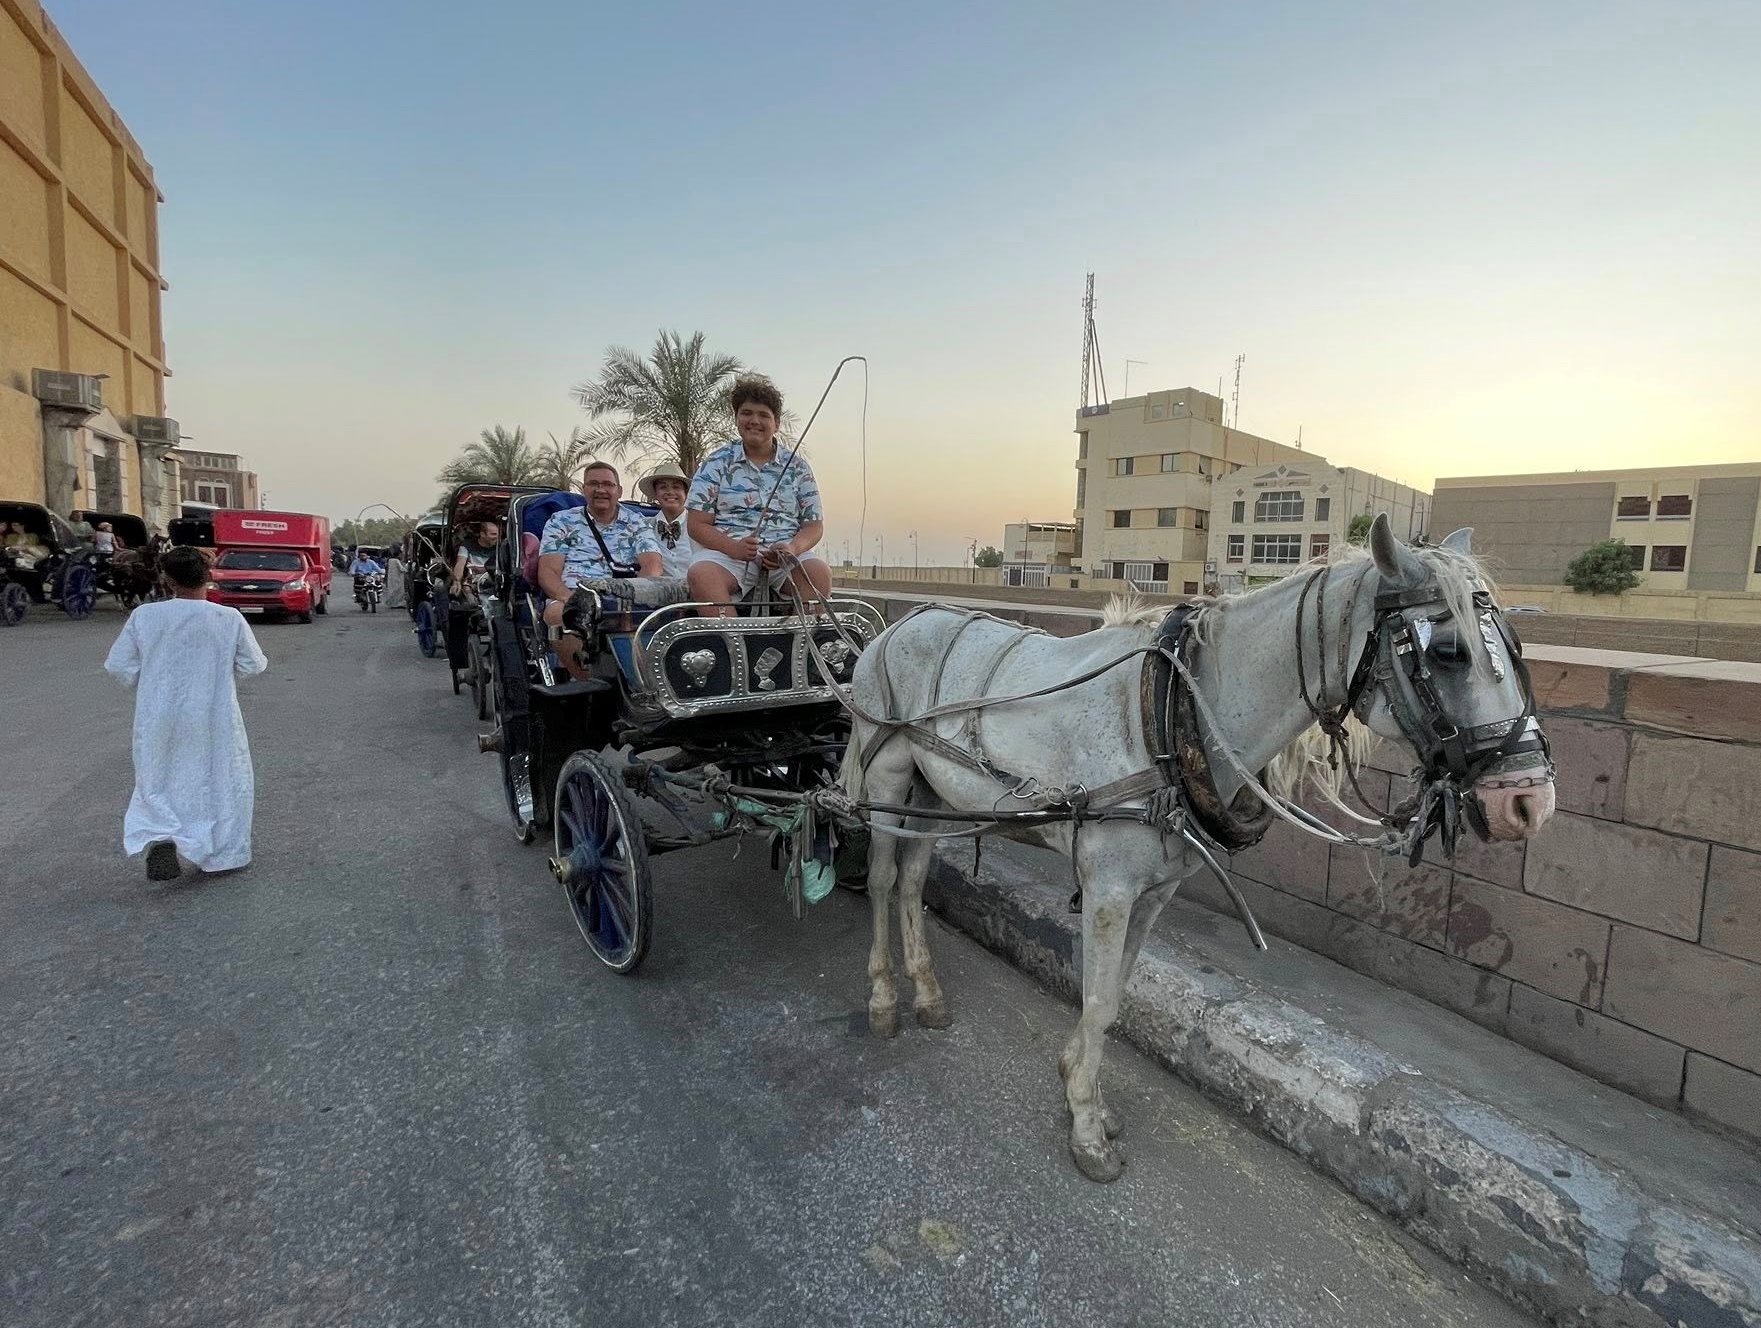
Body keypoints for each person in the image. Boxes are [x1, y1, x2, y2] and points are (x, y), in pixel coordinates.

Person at [102, 544, 268, 881]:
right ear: (207, 578)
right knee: (221, 779)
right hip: (213, 716)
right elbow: (253, 664)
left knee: (159, 778)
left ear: (167, 580)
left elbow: (119, 666)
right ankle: (223, 854)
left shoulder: (145, 616)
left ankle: (163, 836)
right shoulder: (227, 618)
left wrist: (155, 680)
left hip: (159, 715)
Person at [685, 376, 832, 616]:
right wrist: (734, 548)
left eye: (763, 415)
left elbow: (814, 526)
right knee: (702, 575)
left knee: (819, 573)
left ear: (777, 423)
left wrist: (792, 548)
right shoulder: (715, 463)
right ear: (737, 419)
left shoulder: (798, 467)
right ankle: (735, 649)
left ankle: (796, 649)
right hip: (726, 557)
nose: (754, 421)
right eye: (747, 413)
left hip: (784, 560)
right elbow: (697, 524)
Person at [535, 461, 662, 676]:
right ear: (584, 489)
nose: (601, 490)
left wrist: (636, 596)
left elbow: (653, 566)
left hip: (625, 596)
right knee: (557, 615)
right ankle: (590, 685)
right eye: (593, 484)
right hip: (575, 595)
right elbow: (548, 573)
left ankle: (646, 685)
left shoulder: (636, 522)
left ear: (618, 491)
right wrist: (572, 600)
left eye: (607, 484)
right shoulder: (561, 521)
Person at [638, 463, 695, 580]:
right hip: (660, 594)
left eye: (676, 487)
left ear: (686, 493)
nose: (670, 492)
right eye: (663, 487)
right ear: (655, 494)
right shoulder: (643, 527)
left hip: (699, 592)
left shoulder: (699, 526)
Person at [450, 520, 501, 598]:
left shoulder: (501, 547)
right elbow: (460, 564)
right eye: (493, 534)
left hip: (494, 582)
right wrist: (456, 581)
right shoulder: (467, 546)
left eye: (498, 534)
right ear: (482, 534)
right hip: (472, 583)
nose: (496, 537)